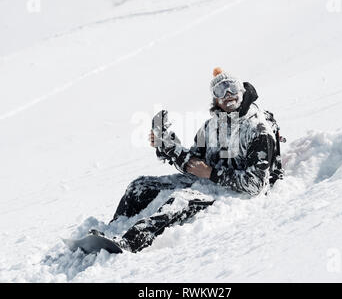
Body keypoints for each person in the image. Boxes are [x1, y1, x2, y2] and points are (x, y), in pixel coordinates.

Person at [109, 67, 283, 253]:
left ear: (242, 90)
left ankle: (130, 244)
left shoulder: (258, 130)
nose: (228, 94)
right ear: (215, 98)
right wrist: (167, 146)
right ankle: (109, 231)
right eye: (220, 91)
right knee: (139, 186)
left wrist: (211, 173)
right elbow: (194, 164)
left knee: (180, 201)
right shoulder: (210, 127)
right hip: (207, 182)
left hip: (235, 193)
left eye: (232, 87)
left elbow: (255, 184)